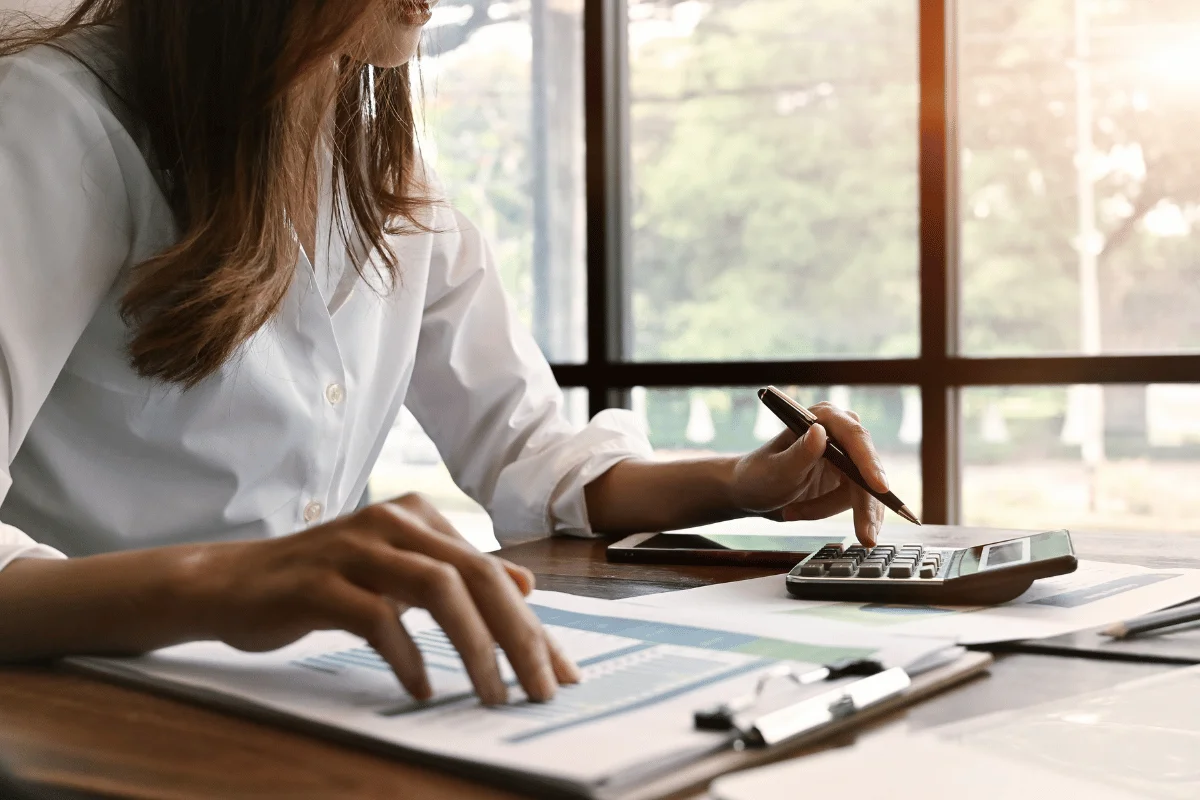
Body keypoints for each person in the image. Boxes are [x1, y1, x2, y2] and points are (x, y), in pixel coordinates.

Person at [0, 0, 890, 707]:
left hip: (311, 699)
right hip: (84, 715)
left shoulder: (377, 163)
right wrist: (229, 583)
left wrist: (739, 482)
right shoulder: (51, 123)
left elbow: (531, 454)